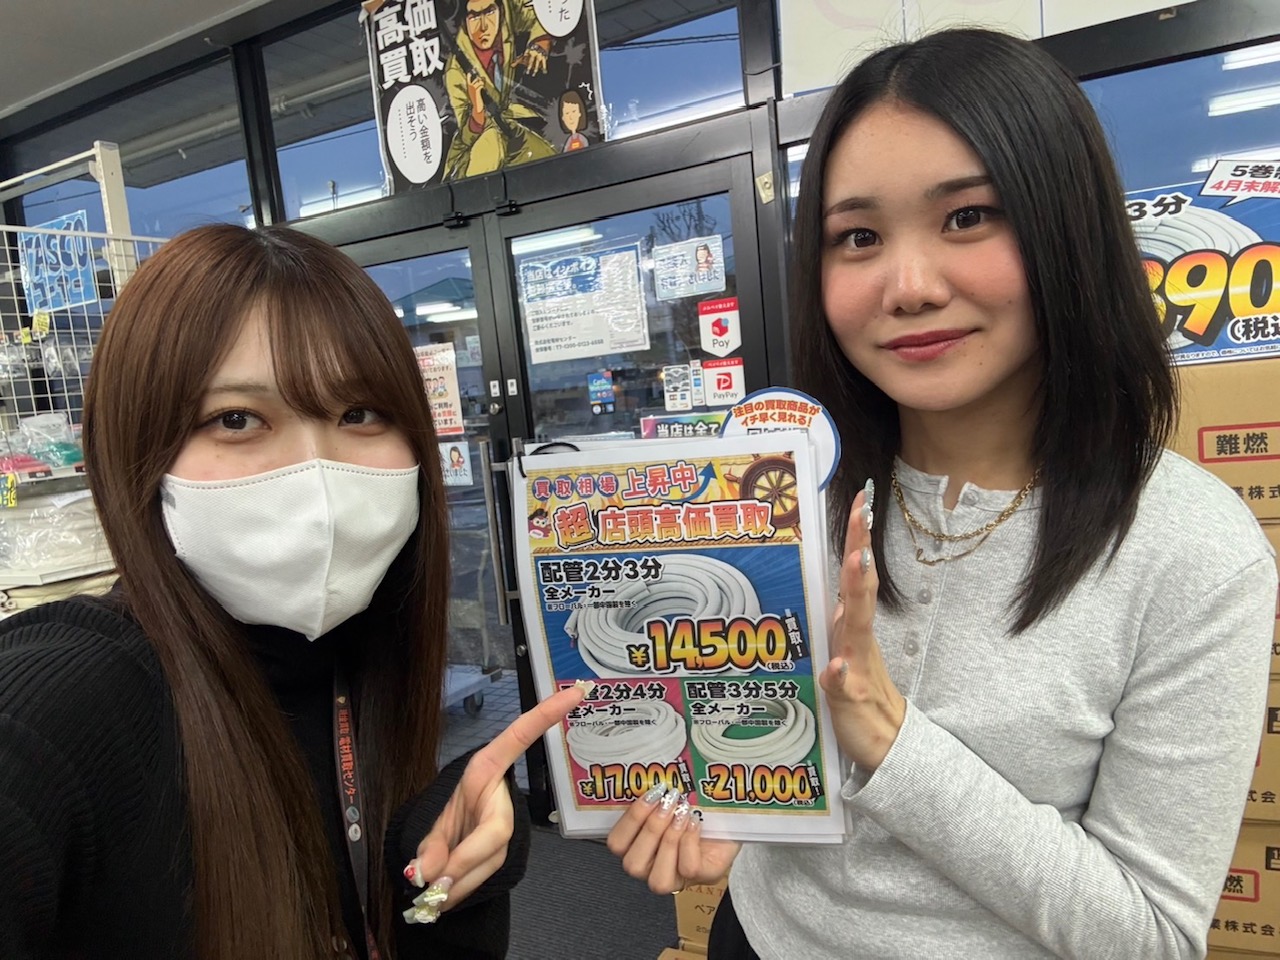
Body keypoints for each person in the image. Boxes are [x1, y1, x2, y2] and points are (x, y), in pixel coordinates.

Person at [607, 28, 1277, 959]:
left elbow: (1153, 935)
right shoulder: (780, 500)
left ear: (1066, 228)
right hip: (758, 939)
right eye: (859, 237)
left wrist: (892, 743)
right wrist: (722, 801)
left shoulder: (1192, 547)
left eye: (968, 217)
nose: (910, 286)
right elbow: (745, 728)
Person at [0, 223, 587, 960]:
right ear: (136, 451)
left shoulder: (369, 663)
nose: (317, 476)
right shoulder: (65, 703)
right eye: (236, 419)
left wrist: (439, 883)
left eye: (358, 414)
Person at [443, 0, 557, 180]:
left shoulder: (508, 10)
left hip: (507, 126)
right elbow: (466, 138)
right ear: (464, 22)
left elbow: (542, 15)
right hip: (480, 143)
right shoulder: (455, 70)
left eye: (489, 12)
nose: (483, 27)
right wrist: (477, 110)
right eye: (474, 17)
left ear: (500, 11)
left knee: (551, 160)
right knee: (492, 143)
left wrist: (539, 43)